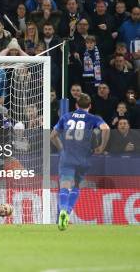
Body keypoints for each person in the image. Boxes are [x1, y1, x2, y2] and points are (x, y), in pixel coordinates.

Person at [50, 93, 109, 231]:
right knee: (76, 186)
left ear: (76, 105)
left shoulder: (66, 116)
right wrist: (102, 146)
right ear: (90, 106)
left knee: (64, 185)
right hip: (84, 158)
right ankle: (68, 213)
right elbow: (105, 129)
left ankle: (63, 210)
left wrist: (61, 148)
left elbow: (53, 136)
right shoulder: (93, 118)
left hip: (68, 156)